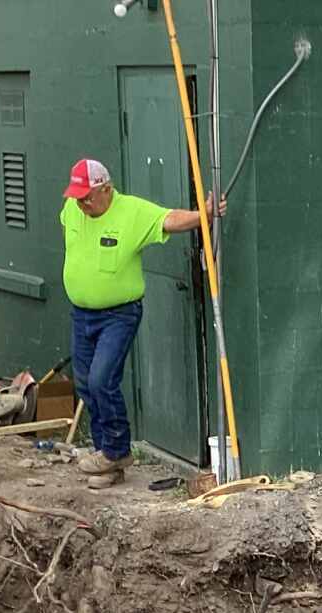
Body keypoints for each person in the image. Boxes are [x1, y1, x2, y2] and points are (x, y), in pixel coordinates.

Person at [60, 157, 222, 487]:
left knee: (101, 379)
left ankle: (116, 450)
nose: (81, 203)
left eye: (87, 197)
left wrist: (203, 214)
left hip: (118, 315)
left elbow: (169, 219)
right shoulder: (73, 210)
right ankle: (109, 460)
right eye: (77, 197)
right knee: (84, 383)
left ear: (106, 189)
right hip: (81, 314)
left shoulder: (131, 212)